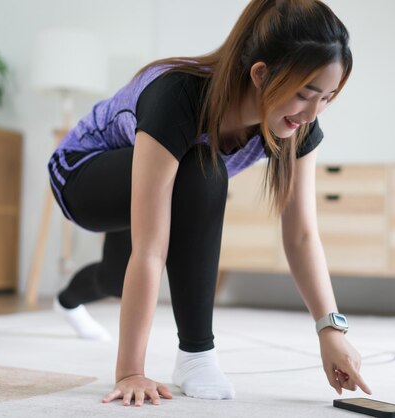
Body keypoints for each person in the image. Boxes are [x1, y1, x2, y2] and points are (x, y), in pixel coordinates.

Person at [48, 0, 372, 407]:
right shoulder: (180, 95)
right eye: (305, 95)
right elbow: (151, 249)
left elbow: (303, 235)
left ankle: (67, 300)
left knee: (115, 279)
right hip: (82, 174)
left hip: (151, 180)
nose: (312, 113)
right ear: (260, 73)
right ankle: (196, 354)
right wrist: (130, 371)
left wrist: (331, 331)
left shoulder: (298, 127)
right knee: (203, 168)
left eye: (327, 98)